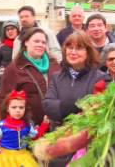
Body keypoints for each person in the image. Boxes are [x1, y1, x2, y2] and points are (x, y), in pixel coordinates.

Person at [42, 30, 109, 166]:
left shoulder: (100, 78)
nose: (73, 52)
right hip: (59, 144)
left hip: (85, 147)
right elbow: (48, 105)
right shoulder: (57, 77)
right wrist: (78, 106)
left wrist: (62, 107)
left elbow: (97, 113)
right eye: (70, 47)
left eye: (79, 48)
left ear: (88, 52)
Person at [0, 27, 60, 126]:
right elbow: (4, 100)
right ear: (26, 42)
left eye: (43, 42)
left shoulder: (54, 65)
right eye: (36, 41)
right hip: (28, 127)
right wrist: (10, 127)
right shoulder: (15, 68)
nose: (40, 44)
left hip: (55, 126)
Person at [0, 89, 49, 167]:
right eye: (14, 107)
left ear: (25, 109)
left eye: (21, 107)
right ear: (7, 109)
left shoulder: (26, 125)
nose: (18, 110)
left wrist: (44, 124)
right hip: (6, 159)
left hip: (23, 157)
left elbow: (35, 136)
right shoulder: (2, 126)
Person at [0, 20, 19, 92]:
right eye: (7, 29)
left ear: (17, 30)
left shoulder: (23, 44)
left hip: (21, 78)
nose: (10, 31)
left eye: (12, 29)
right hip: (5, 79)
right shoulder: (0, 46)